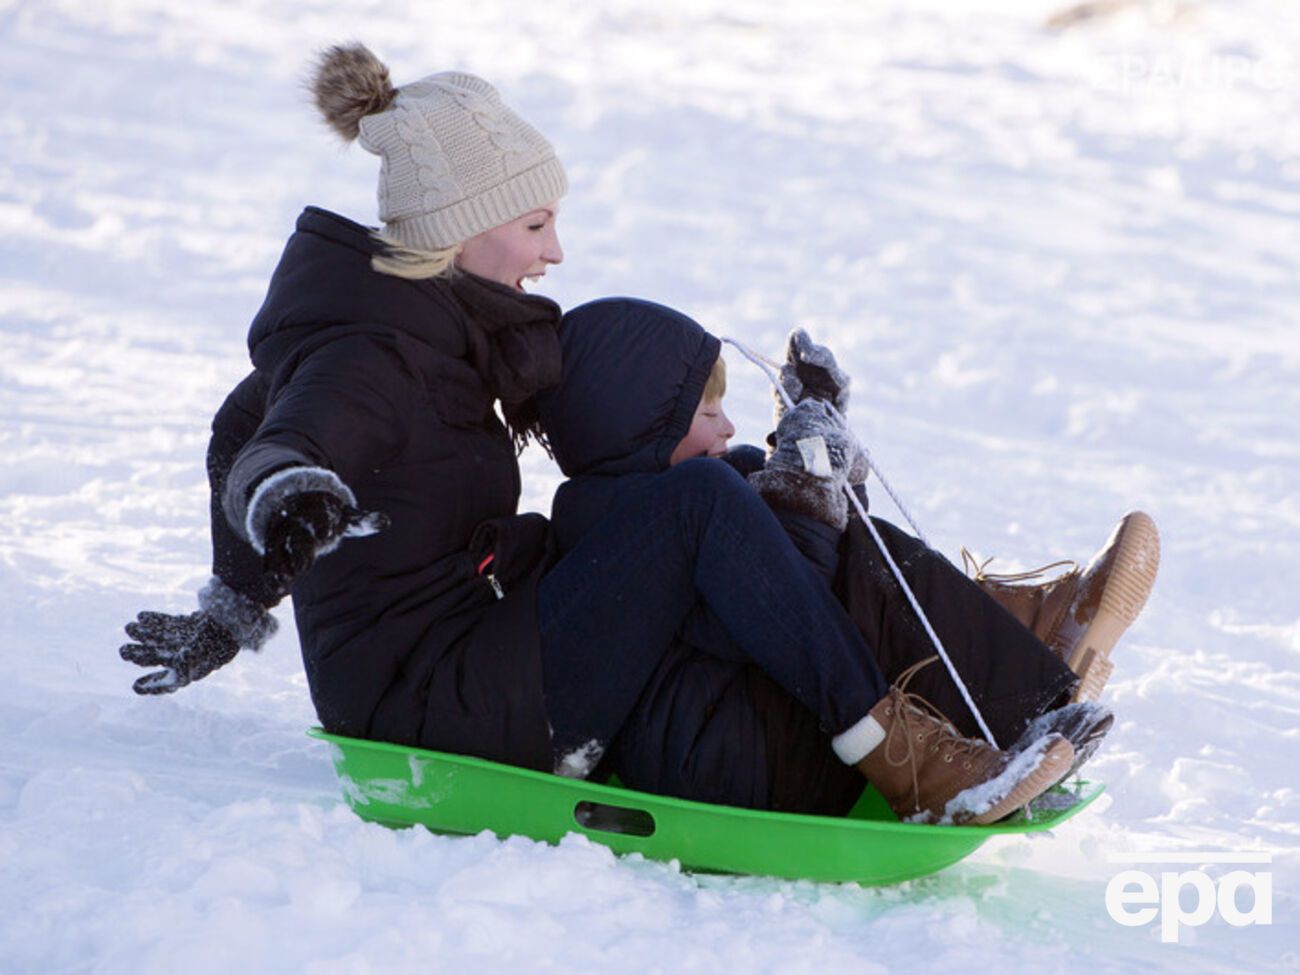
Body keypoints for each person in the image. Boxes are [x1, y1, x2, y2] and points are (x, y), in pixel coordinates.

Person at [119, 41, 1084, 827]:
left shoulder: (417, 328)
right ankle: (908, 759)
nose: (555, 251)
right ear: (462, 227)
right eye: (536, 224)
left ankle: (998, 681)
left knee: (733, 474)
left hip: (475, 653)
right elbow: (282, 438)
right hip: (435, 706)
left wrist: (234, 601)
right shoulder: (374, 354)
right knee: (698, 503)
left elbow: (236, 423)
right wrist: (285, 488)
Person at [534, 297, 1158, 815]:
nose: (726, 426)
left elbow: (818, 583)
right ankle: (949, 731)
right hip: (725, 765)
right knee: (778, 507)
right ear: (643, 423)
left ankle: (1018, 653)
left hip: (770, 736)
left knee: (793, 498)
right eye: (707, 411)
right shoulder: (610, 523)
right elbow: (784, 613)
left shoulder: (661, 495)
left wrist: (820, 456)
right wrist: (806, 489)